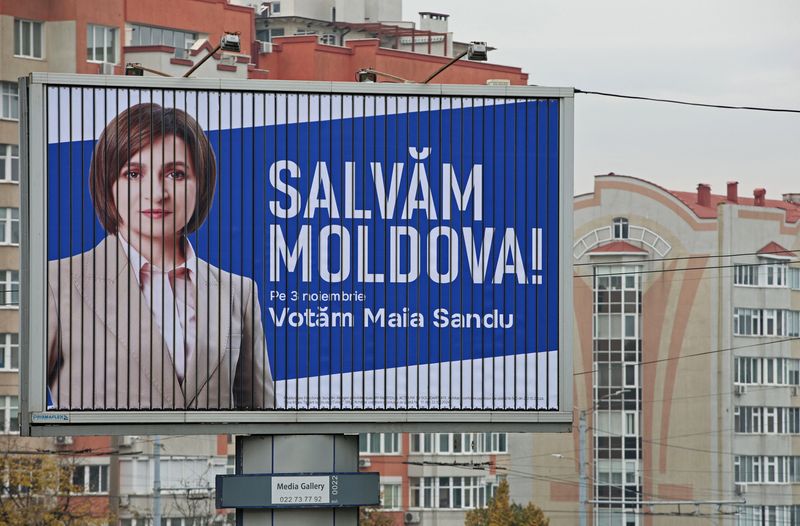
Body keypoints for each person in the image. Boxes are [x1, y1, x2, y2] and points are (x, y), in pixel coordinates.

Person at [47, 103, 274, 410]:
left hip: (217, 457)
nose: (156, 193)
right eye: (134, 173)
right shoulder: (56, 282)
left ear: (201, 184)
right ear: (108, 182)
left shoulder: (238, 292)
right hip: (96, 457)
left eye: (175, 174)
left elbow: (262, 415)